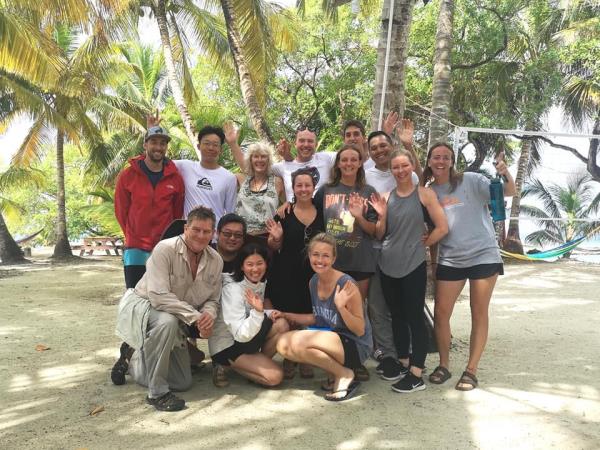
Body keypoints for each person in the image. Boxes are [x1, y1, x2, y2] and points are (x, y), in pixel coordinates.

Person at [423, 143, 515, 391]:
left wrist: (505, 172)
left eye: (446, 157)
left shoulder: (472, 180)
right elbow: (433, 230)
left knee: (478, 311)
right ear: (429, 161)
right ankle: (444, 365)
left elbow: (508, 191)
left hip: (483, 255)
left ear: (452, 161)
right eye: (436, 157)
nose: (441, 161)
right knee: (441, 313)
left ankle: (471, 369)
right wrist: (433, 262)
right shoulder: (429, 192)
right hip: (450, 258)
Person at [111, 206, 223, 412]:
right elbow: (158, 297)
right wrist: (197, 317)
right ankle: (157, 393)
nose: (201, 236)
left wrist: (208, 316)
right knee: (167, 321)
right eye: (196, 230)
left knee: (182, 383)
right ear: (186, 228)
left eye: (207, 231)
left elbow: (213, 299)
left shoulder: (216, 260)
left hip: (179, 313)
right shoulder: (165, 249)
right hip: (145, 304)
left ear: (213, 233)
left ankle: (132, 357)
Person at [369, 150, 448, 393]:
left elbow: (442, 227)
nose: (401, 171)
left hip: (413, 265)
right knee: (397, 316)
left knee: (415, 317)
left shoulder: (424, 194)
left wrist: (422, 243)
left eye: (405, 165)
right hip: (387, 265)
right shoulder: (385, 196)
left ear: (412, 166)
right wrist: (381, 216)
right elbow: (380, 234)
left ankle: (416, 372)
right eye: (396, 167)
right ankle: (404, 362)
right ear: (391, 171)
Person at [275, 233, 373, 401]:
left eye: (326, 255)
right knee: (283, 345)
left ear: (334, 259)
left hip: (355, 345)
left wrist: (341, 307)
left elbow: (359, 329)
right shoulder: (313, 281)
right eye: (316, 254)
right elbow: (318, 318)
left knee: (295, 340)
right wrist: (286, 315)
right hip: (333, 339)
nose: (320, 260)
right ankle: (338, 372)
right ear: (309, 255)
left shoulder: (346, 285)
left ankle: (344, 374)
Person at [364, 127, 421, 379]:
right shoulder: (365, 174)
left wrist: (409, 146)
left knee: (405, 308)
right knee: (378, 306)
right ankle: (388, 356)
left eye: (383, 145)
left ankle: (408, 354)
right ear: (369, 152)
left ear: (391, 145)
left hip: (404, 253)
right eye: (374, 147)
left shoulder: (404, 169)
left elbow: (419, 180)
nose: (379, 150)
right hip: (373, 248)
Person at [264, 168, 325, 379]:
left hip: (314, 274)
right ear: (293, 187)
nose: (303, 189)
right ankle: (290, 357)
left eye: (307, 185)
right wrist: (276, 237)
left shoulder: (322, 211)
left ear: (314, 187)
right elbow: (273, 245)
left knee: (309, 315)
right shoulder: (284, 213)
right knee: (289, 316)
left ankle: (305, 357)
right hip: (286, 272)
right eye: (299, 185)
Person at [208, 243, 290, 387]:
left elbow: (249, 313)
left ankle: (255, 365)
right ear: (241, 266)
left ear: (266, 264)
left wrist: (268, 312)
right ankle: (224, 365)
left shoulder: (260, 282)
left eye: (260, 263)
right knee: (275, 377)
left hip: (246, 340)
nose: (255, 269)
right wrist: (259, 312)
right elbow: (240, 333)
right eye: (249, 264)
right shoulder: (233, 289)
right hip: (228, 345)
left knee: (281, 323)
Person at [114, 125, 185, 288]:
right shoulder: (128, 175)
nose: (158, 147)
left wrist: (166, 239)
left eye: (163, 143)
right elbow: (121, 211)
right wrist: (132, 234)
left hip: (163, 247)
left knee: (162, 292)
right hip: (135, 247)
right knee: (134, 293)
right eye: (154, 142)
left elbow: (176, 213)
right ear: (145, 145)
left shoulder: (175, 178)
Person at [231, 139, 285, 243]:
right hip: (240, 237)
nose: (259, 160)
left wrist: (286, 203)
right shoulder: (241, 179)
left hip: (267, 237)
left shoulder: (277, 182)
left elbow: (292, 202)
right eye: (256, 156)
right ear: (250, 160)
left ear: (269, 160)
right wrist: (232, 143)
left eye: (263, 156)